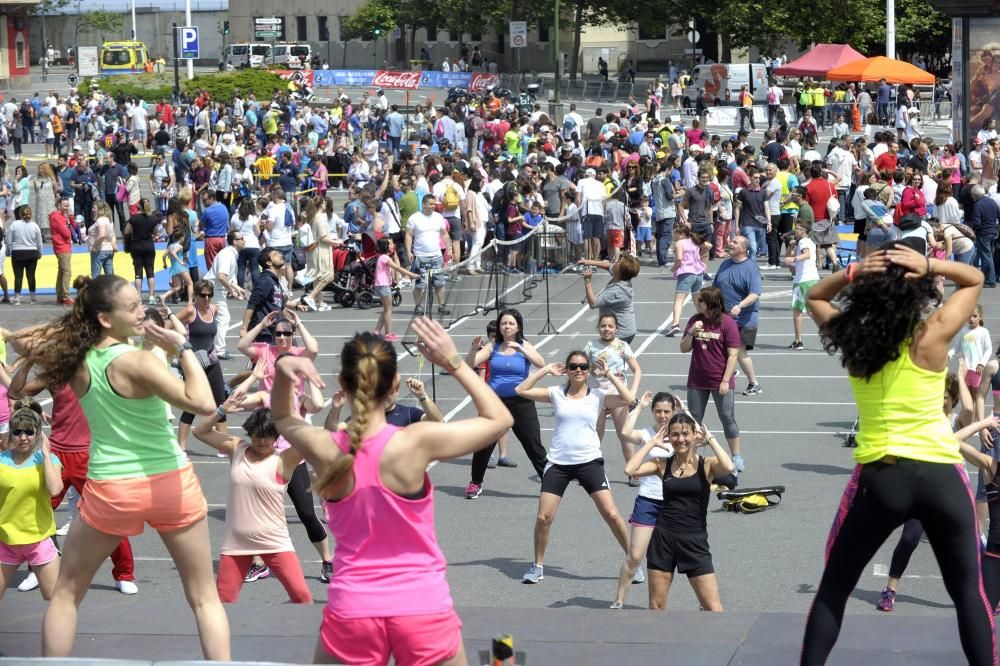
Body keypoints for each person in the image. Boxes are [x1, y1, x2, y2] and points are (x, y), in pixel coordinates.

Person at [270, 321, 513, 666]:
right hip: (423, 607)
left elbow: (281, 415)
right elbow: (499, 418)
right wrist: (454, 362)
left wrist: (282, 370)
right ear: (395, 384)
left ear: (344, 385)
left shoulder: (326, 448)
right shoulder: (416, 441)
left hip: (353, 609)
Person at [13, 275, 230, 659]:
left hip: (112, 488)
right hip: (170, 484)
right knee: (203, 598)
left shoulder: (78, 360)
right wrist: (181, 346)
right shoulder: (138, 362)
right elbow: (202, 402)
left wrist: (70, 324)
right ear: (105, 319)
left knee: (65, 594)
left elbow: (21, 338)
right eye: (131, 307)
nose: (141, 310)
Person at [800, 239, 995, 665]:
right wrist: (927, 262)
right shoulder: (933, 334)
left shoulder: (854, 340)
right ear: (921, 291)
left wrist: (855, 271)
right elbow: (976, 277)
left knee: (834, 590)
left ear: (869, 290)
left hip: (883, 477)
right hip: (941, 475)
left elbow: (813, 294)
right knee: (967, 592)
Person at [516, 353, 634, 585]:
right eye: (573, 366)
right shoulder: (556, 393)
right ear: (567, 370)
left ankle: (633, 560)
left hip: (589, 461)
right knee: (543, 517)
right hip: (559, 463)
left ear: (588, 370)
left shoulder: (599, 396)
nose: (578, 370)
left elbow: (629, 399)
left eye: (583, 366)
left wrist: (609, 374)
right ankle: (537, 566)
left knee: (611, 514)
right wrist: (545, 370)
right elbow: (521, 390)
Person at [193, 401, 312, 605]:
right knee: (224, 602)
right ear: (250, 433)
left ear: (276, 437)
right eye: (257, 435)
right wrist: (221, 410)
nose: (262, 441)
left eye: (267, 435)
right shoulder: (236, 448)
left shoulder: (285, 460)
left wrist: (295, 417)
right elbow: (200, 432)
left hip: (275, 541)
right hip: (236, 544)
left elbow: (310, 440)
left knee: (302, 597)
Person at [625, 412, 734, 610]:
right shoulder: (662, 463)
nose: (680, 439)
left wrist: (710, 439)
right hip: (663, 539)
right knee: (656, 606)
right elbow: (630, 469)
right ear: (668, 436)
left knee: (713, 608)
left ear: (694, 435)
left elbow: (728, 466)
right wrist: (651, 444)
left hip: (694, 540)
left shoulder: (706, 465)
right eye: (675, 434)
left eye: (685, 434)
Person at [463, 309, 547, 499]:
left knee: (533, 445)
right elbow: (469, 364)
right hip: (495, 404)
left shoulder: (525, 344)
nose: (506, 326)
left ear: (518, 326)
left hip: (522, 402)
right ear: (499, 327)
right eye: (503, 323)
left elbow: (541, 363)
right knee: (483, 445)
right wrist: (472, 350)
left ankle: (549, 482)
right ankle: (475, 483)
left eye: (510, 323)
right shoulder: (493, 346)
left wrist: (521, 349)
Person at [610, 390, 682, 608]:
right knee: (634, 555)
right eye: (658, 411)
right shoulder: (646, 434)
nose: (662, 415)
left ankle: (702, 599)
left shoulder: (682, 435)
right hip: (648, 501)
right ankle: (619, 600)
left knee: (686, 557)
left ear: (673, 411)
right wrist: (639, 406)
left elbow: (700, 433)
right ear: (653, 412)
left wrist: (685, 409)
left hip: (675, 504)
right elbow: (624, 432)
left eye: (667, 411)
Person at [0, 403, 63, 601]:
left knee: (55, 601)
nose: (23, 437)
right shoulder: (1, 460)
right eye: (17, 432)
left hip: (39, 540)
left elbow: (55, 490)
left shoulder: (48, 460)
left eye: (29, 431)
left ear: (38, 433)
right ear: (11, 433)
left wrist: (45, 453)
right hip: (5, 540)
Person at [679, 287, 745, 475]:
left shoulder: (727, 323)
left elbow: (733, 355)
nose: (697, 303)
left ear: (710, 303)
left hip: (720, 380)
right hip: (697, 380)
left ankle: (736, 456)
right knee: (693, 421)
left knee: (727, 417)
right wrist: (691, 333)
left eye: (700, 301)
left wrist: (725, 381)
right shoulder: (694, 320)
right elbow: (683, 348)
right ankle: (688, 458)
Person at [713, 236, 763, 395]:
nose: (730, 243)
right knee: (721, 348)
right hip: (723, 317)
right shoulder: (725, 264)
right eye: (731, 241)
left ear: (743, 249)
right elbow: (715, 287)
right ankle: (730, 372)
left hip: (744, 319)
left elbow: (755, 294)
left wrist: (740, 306)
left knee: (739, 351)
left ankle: (754, 383)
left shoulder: (751, 268)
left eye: (734, 242)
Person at [405, 193, 451, 316]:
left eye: (434, 204)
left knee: (439, 282)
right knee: (419, 283)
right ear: (424, 204)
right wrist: (409, 251)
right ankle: (418, 306)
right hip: (420, 256)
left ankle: (441, 305)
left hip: (436, 256)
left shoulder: (438, 217)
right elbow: (409, 235)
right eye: (430, 204)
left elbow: (444, 233)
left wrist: (449, 249)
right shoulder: (414, 218)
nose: (433, 206)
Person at [580, 255, 640, 344]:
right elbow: (608, 265)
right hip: (624, 330)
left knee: (607, 356)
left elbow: (593, 303)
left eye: (618, 262)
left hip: (621, 334)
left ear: (620, 271)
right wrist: (589, 262)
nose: (615, 262)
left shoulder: (617, 291)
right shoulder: (620, 276)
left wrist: (587, 281)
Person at [373, 237, 417, 342]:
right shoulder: (385, 258)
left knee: (386, 310)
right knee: (389, 310)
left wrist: (392, 279)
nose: (393, 246)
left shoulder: (382, 257)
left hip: (381, 285)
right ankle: (388, 333)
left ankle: (376, 331)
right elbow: (398, 268)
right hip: (383, 286)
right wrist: (412, 274)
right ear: (385, 246)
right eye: (391, 244)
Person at [665, 225, 706, 338]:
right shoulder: (694, 241)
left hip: (687, 273)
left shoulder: (679, 243)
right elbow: (708, 245)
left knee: (679, 300)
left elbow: (679, 259)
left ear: (681, 234)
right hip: (699, 273)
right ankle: (705, 322)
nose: (674, 236)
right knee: (697, 300)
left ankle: (675, 324)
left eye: (676, 233)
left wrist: (673, 269)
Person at [784, 220, 819, 350]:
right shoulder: (807, 242)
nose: (795, 230)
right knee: (811, 311)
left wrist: (794, 259)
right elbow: (788, 257)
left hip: (802, 281)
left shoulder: (804, 242)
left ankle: (798, 341)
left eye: (797, 228)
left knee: (798, 311)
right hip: (813, 279)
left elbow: (807, 255)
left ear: (804, 231)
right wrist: (790, 246)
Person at [124, 198, 160, 304]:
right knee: (150, 272)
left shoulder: (133, 219)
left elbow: (127, 232)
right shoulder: (153, 219)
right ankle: (151, 297)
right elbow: (156, 232)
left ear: (139, 206)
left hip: (137, 247)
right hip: (149, 247)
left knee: (138, 273)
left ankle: (138, 297)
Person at [7, 206, 43, 305]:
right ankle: (32, 297)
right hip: (31, 252)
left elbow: (9, 240)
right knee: (31, 276)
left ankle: (17, 298)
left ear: (19, 214)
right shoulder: (35, 226)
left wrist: (8, 252)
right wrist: (40, 253)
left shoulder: (14, 225)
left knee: (18, 276)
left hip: (17, 252)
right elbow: (39, 242)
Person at [89, 201, 117, 278]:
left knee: (96, 276)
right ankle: (111, 289)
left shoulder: (101, 220)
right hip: (108, 250)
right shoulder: (109, 220)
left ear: (100, 209)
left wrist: (94, 247)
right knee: (110, 276)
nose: (92, 209)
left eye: (94, 208)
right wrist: (114, 246)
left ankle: (96, 290)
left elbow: (102, 235)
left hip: (100, 250)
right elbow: (113, 235)